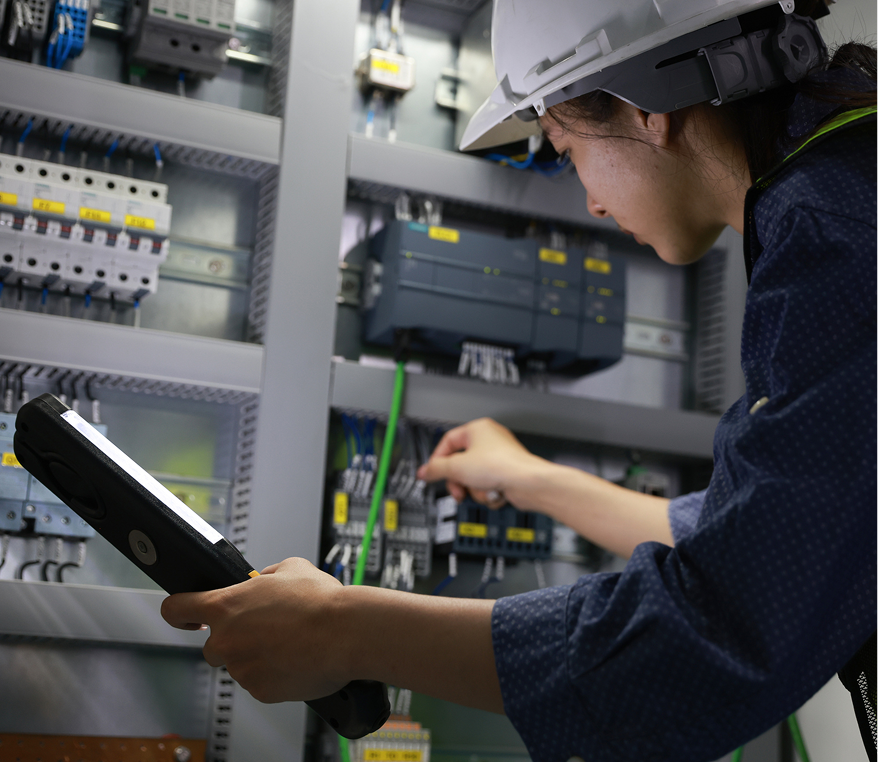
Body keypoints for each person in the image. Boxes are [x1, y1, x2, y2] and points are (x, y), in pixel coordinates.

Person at [161, 0, 878, 759]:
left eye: (566, 148)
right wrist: (532, 480)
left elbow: (724, 625)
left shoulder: (836, 238)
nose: (591, 200)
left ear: (647, 109)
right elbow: (778, 527)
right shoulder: (841, 196)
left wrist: (341, 630)